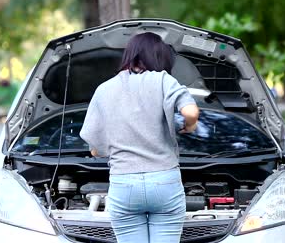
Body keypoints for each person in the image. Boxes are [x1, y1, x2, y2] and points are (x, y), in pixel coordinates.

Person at [80, 32, 199, 243]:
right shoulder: (163, 80)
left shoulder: (104, 89)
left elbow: (95, 149)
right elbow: (190, 112)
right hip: (164, 183)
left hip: (124, 184)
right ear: (159, 57)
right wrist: (190, 126)